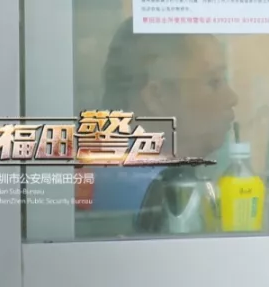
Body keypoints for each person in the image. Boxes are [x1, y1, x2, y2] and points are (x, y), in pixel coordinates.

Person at [79, 19, 237, 234]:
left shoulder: (114, 166)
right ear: (157, 96)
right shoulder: (152, 191)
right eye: (214, 82)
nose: (232, 98)